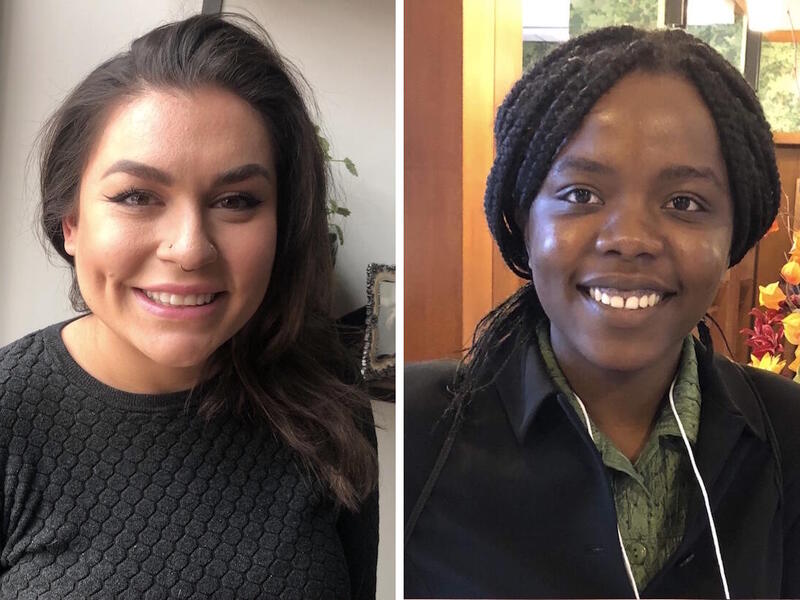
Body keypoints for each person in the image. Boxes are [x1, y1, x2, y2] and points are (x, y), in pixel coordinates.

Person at [405, 25, 800, 598]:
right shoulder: (416, 439)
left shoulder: (789, 438)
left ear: (733, 240)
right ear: (523, 217)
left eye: (684, 203)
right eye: (581, 195)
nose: (630, 239)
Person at [0, 14, 378, 599]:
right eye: (136, 196)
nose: (190, 248)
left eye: (235, 201)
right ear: (70, 222)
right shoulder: (11, 415)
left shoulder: (325, 398)